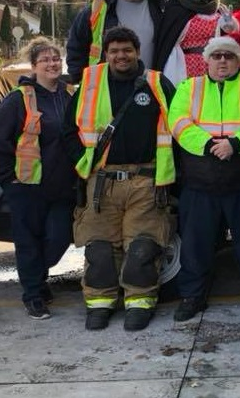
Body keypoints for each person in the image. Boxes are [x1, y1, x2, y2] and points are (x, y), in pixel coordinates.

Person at [62, 26, 176, 332]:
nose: (120, 56)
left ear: (137, 52)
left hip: (145, 180)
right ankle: (100, 303)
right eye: (114, 51)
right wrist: (81, 162)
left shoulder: (156, 83)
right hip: (101, 181)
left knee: (143, 247)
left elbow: (177, 127)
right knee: (99, 248)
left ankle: (139, 302)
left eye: (126, 50)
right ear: (106, 54)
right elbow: (68, 129)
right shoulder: (89, 83)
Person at [168, 36, 240, 321]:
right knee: (196, 245)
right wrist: (209, 145)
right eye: (216, 56)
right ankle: (192, 297)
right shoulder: (188, 87)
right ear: (206, 60)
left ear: (239, 61)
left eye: (228, 56)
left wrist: (235, 144)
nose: (222, 61)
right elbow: (178, 122)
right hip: (200, 182)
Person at [0, 38, 75, 320]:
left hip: (62, 186)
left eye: (56, 59)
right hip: (26, 187)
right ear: (34, 66)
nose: (52, 64)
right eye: (45, 60)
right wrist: (7, 180)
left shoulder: (69, 95)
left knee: (59, 237)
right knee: (29, 241)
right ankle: (33, 294)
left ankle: (38, 277)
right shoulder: (18, 99)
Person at [66, 0, 166, 83]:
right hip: (107, 87)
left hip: (150, 86)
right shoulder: (100, 8)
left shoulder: (160, 7)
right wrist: (79, 79)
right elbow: (76, 44)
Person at [152, 0, 229, 84]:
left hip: (214, 69)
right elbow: (165, 43)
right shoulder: (175, 7)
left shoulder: (219, 10)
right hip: (183, 70)